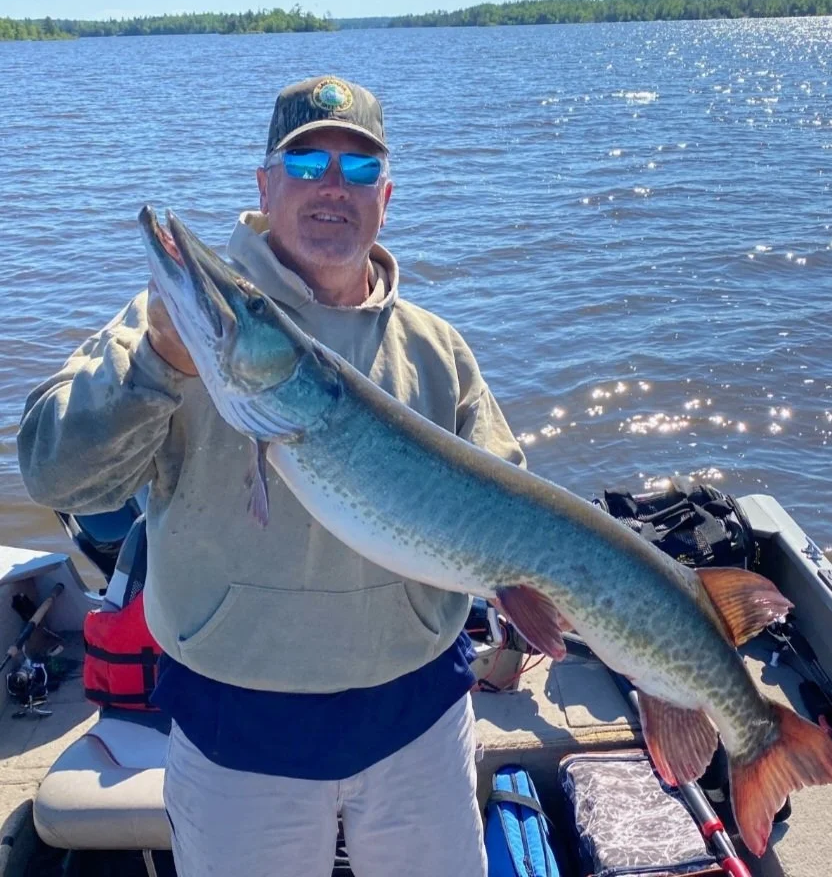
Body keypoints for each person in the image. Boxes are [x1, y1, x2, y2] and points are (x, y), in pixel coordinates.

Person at [17, 74, 526, 877]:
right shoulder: (175, 323)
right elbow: (56, 475)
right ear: (265, 185)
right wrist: (157, 365)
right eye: (307, 163)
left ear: (385, 196)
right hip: (238, 734)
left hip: (418, 721)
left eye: (360, 168)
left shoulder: (435, 348)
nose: (333, 185)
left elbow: (513, 510)